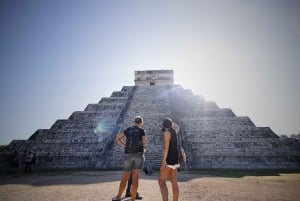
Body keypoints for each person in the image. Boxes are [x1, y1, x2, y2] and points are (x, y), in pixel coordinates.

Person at [112, 116, 148, 201]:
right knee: (135, 177)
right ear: (141, 123)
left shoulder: (128, 129)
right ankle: (132, 198)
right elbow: (144, 141)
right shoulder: (141, 130)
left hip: (128, 154)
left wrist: (125, 146)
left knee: (125, 176)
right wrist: (145, 142)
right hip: (139, 154)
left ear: (134, 122)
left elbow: (118, 138)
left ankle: (118, 196)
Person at [158, 118, 184, 201]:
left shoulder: (167, 133)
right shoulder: (174, 132)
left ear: (164, 126)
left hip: (168, 160)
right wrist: (171, 122)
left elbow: (166, 148)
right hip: (175, 160)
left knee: (161, 182)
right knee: (174, 182)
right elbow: (177, 126)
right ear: (170, 125)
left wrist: (163, 162)